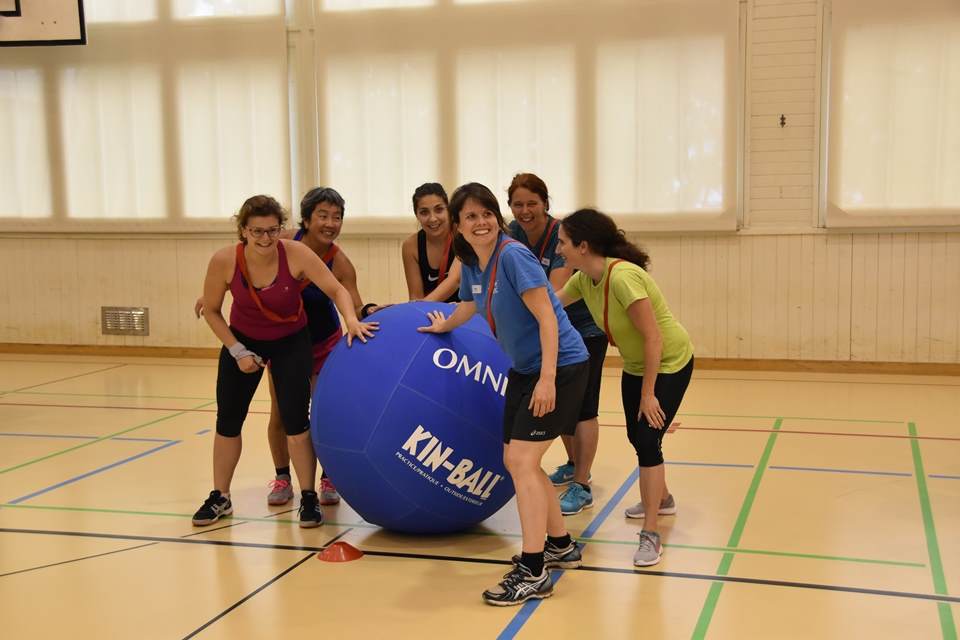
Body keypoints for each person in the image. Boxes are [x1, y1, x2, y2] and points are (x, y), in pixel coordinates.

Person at [419, 183, 589, 606]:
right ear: (458, 226)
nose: (482, 223)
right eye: (471, 217)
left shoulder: (512, 256)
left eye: (487, 214)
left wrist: (548, 378)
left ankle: (533, 571)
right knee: (521, 461)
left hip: (560, 367)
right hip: (525, 370)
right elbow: (470, 304)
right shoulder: (473, 262)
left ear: (498, 218)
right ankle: (560, 545)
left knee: (521, 461)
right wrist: (444, 324)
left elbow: (548, 316)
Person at [192, 195, 377, 528]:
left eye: (272, 231)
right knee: (228, 420)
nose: (265, 239)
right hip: (244, 340)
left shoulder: (295, 253)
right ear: (243, 231)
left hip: (291, 343)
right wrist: (237, 350)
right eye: (257, 232)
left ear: (282, 228)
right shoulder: (224, 260)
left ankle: (308, 497)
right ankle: (220, 495)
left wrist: (351, 318)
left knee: (296, 422)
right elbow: (213, 311)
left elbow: (337, 290)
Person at [555, 209, 694, 567]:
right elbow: (551, 304)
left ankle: (651, 534)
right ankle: (661, 499)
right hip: (636, 364)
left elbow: (654, 338)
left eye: (564, 243)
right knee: (638, 435)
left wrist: (649, 395)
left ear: (583, 246)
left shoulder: (623, 278)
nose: (559, 250)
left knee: (648, 439)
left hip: (669, 361)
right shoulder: (584, 279)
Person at [506, 173, 607, 515]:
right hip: (543, 330)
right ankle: (573, 461)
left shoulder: (560, 236)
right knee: (562, 408)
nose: (525, 211)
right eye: (518, 204)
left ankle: (582, 482)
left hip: (581, 330)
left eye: (532, 203)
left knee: (583, 408)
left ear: (545, 204)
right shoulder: (512, 234)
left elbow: (551, 299)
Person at [401, 182, 461, 303]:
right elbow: (415, 297)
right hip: (432, 313)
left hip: (464, 312)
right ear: (416, 215)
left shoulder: (461, 234)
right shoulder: (411, 246)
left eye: (439, 210)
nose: (432, 218)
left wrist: (422, 305)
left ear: (448, 210)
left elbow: (455, 281)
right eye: (424, 212)